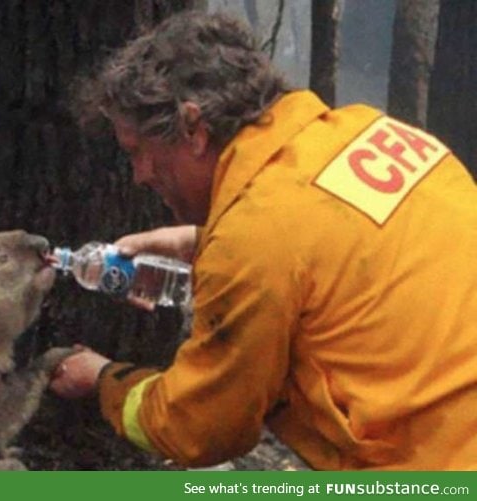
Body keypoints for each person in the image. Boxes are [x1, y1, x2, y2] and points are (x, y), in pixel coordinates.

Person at [49, 10, 477, 470]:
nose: (138, 176)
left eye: (139, 153)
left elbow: (202, 428)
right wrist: (202, 241)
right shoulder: (369, 132)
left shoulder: (253, 241)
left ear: (193, 128)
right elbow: (338, 254)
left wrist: (104, 380)